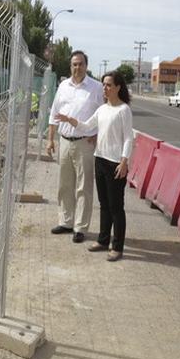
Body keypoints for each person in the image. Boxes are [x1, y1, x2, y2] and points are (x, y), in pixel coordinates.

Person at [55, 71, 133, 261]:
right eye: (104, 85)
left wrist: (124, 161)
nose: (104, 88)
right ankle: (103, 240)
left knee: (116, 207)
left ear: (118, 87)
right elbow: (87, 126)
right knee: (104, 205)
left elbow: (129, 138)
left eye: (108, 85)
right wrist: (69, 120)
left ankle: (117, 247)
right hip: (100, 159)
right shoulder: (103, 109)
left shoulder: (123, 110)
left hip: (115, 163)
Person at [47, 51, 103, 243]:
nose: (76, 68)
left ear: (86, 66)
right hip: (64, 141)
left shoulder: (96, 88)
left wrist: (97, 133)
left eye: (80, 64)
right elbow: (54, 113)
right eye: (73, 64)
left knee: (83, 187)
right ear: (70, 66)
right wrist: (50, 139)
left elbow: (105, 113)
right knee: (64, 185)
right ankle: (66, 221)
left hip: (84, 143)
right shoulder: (63, 86)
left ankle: (80, 227)